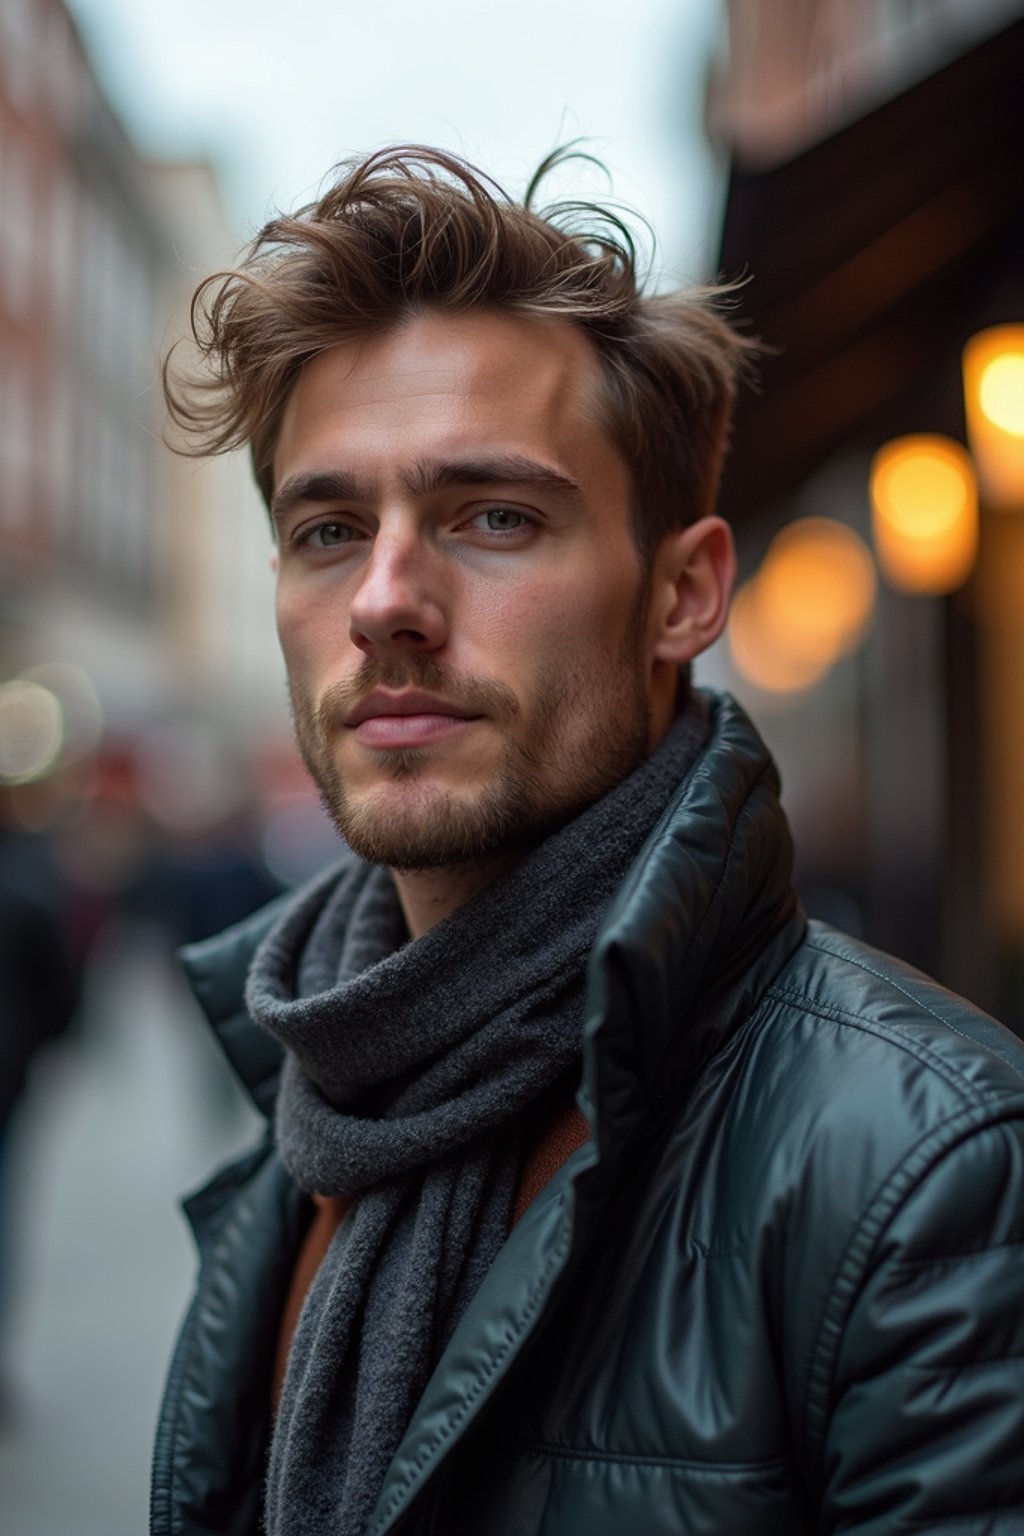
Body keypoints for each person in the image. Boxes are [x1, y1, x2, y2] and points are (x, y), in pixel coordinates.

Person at [152, 146, 1024, 1536]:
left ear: (685, 594)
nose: (385, 599)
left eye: (492, 516)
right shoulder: (314, 1114)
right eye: (327, 528)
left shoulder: (930, 1165)